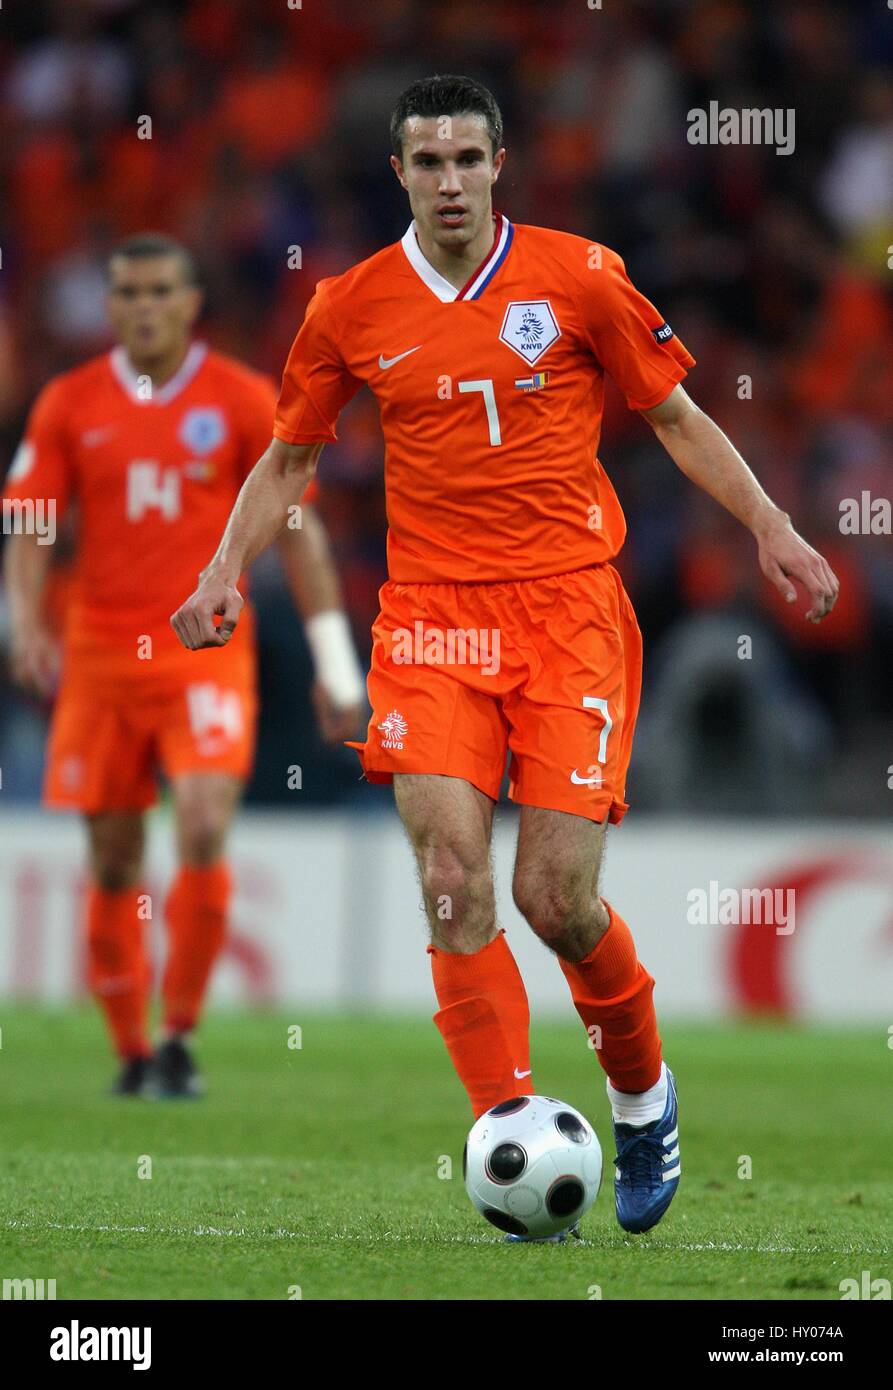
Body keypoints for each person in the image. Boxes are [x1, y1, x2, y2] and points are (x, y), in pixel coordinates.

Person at [171, 77, 838, 1236]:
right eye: (425, 161)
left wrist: (771, 527)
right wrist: (221, 569)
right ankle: (510, 1125)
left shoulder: (579, 276)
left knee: (553, 897)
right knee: (448, 880)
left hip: (568, 612)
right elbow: (287, 461)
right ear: (397, 173)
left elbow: (675, 417)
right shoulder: (347, 306)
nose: (447, 181)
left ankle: (640, 1097)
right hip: (430, 620)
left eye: (466, 158)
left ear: (498, 164)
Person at [4, 233, 364, 1098]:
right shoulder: (68, 402)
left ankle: (180, 1037)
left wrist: (334, 663)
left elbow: (297, 529)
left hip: (202, 654)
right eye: (127, 291)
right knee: (114, 858)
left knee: (202, 822)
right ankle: (130, 1049)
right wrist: (23, 621)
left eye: (161, 290)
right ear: (111, 303)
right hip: (96, 659)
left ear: (191, 302)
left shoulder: (242, 400)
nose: (143, 306)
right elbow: (29, 521)